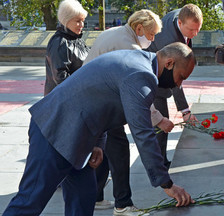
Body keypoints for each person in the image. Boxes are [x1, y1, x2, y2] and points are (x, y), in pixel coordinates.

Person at [3, 42, 196, 216]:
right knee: (29, 202)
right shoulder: (142, 75)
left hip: (79, 138)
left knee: (83, 202)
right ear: (169, 63)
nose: (179, 84)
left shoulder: (138, 61)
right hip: (54, 131)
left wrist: (97, 144)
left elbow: (99, 102)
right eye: (181, 77)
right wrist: (166, 183)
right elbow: (143, 132)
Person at [85, 9, 174, 214]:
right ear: (139, 28)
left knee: (103, 147)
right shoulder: (130, 47)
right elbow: (139, 98)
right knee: (119, 149)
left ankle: (97, 197)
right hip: (102, 100)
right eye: (151, 35)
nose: (151, 41)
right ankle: (123, 204)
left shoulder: (114, 32)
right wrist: (159, 120)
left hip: (94, 97)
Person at [43, 1, 106, 215]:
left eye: (83, 20)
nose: (82, 24)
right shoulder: (59, 43)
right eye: (77, 20)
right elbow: (61, 79)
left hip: (79, 109)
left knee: (80, 172)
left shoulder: (77, 42)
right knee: (69, 170)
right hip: (65, 109)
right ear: (65, 20)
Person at [146, 3, 202, 168]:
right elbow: (176, 80)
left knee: (161, 123)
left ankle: (160, 160)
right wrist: (185, 111)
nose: (195, 34)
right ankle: (157, 164)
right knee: (161, 122)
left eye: (198, 29)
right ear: (180, 23)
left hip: (164, 71)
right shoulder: (169, 41)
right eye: (191, 30)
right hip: (153, 78)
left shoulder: (185, 14)